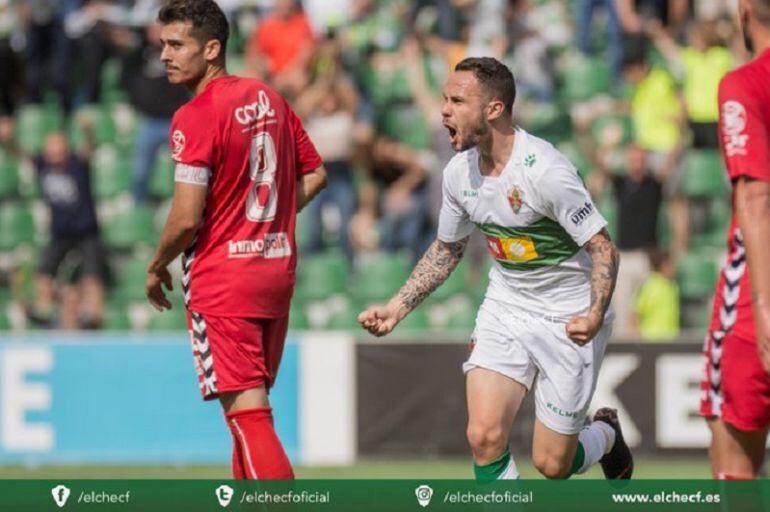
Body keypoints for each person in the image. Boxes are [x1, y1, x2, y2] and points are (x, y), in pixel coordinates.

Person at [358, 57, 633, 481]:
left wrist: (595, 313)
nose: (444, 111)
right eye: (444, 99)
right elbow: (447, 249)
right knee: (484, 437)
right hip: (506, 305)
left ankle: (606, 435)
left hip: (568, 316)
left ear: (494, 109)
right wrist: (397, 307)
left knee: (553, 464)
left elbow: (603, 248)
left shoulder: (546, 170)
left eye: (457, 101)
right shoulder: (457, 173)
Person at [146, 0, 326, 480]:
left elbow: (186, 219)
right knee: (246, 419)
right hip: (274, 273)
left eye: (175, 44)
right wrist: (266, 225)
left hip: (224, 282)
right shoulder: (268, 97)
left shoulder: (195, 115)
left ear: (211, 49)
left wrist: (156, 263)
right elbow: (317, 174)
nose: (164, 55)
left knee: (250, 418)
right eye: (163, 44)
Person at [700, 0, 770, 480]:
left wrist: (765, 309)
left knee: (734, 466)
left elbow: (757, 199)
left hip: (754, 296)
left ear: (745, 11)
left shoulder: (743, 84)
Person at [0, 114, 104, 330]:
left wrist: (87, 131)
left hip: (86, 230)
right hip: (61, 231)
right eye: (50, 146)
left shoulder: (76, 163)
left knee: (91, 273)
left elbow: (89, 147)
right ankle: (44, 310)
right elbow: (17, 152)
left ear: (65, 147)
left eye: (57, 145)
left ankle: (93, 314)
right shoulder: (42, 165)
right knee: (44, 272)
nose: (53, 150)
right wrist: (7, 139)